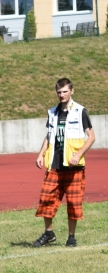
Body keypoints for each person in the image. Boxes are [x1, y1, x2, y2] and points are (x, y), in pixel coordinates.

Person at [33, 78, 96, 248]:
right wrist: (41, 154)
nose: (61, 95)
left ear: (72, 91)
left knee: (74, 202)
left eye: (65, 92)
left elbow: (91, 137)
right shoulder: (52, 112)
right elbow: (49, 135)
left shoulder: (80, 111)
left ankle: (71, 237)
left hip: (74, 166)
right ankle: (49, 233)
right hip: (54, 164)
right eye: (59, 92)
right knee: (46, 198)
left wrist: (78, 154)